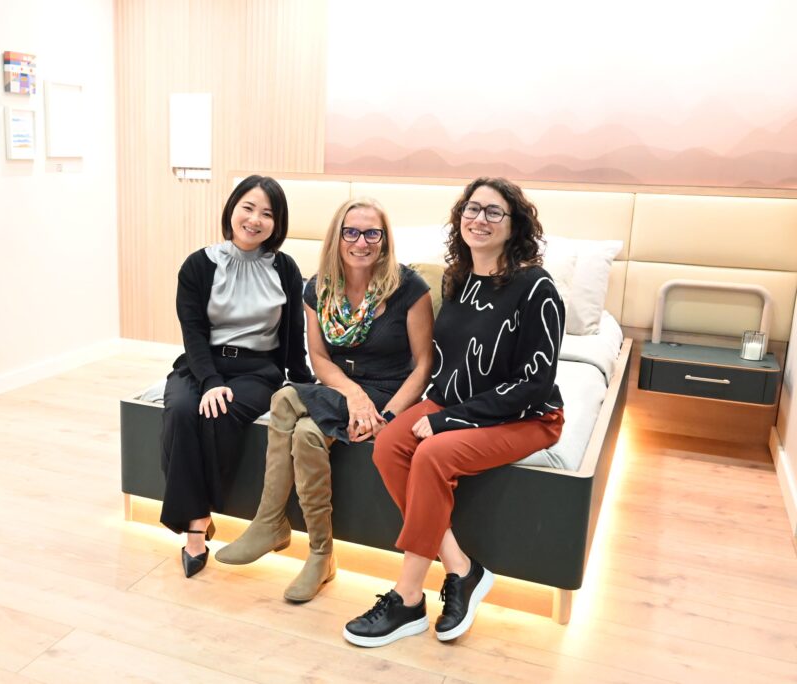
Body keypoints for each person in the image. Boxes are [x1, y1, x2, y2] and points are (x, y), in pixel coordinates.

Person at [343, 177, 566, 647]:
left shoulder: (535, 287)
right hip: (456, 401)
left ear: (513, 224)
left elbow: (535, 383)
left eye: (493, 212)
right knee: (388, 446)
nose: (479, 219)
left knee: (432, 455)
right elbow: (446, 360)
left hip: (526, 416)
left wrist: (445, 421)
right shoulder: (457, 279)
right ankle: (461, 567)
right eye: (471, 208)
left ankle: (407, 599)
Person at [216, 198, 434, 602]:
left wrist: (385, 414)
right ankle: (322, 554)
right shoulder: (317, 288)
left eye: (372, 233)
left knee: (284, 401)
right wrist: (352, 395)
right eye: (351, 232)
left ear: (384, 241)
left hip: (390, 391)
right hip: (341, 388)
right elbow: (318, 358)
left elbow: (423, 366)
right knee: (304, 434)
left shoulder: (409, 288)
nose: (361, 242)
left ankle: (271, 523)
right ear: (337, 237)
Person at [160, 175, 313, 578]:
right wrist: (209, 380)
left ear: (277, 224)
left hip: (256, 370)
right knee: (178, 411)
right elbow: (192, 333)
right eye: (248, 207)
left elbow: (293, 332)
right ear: (231, 210)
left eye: (267, 213)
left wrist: (302, 382)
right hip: (200, 364)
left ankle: (194, 528)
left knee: (218, 414)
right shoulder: (198, 265)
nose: (255, 219)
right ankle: (197, 521)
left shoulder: (284, 268)